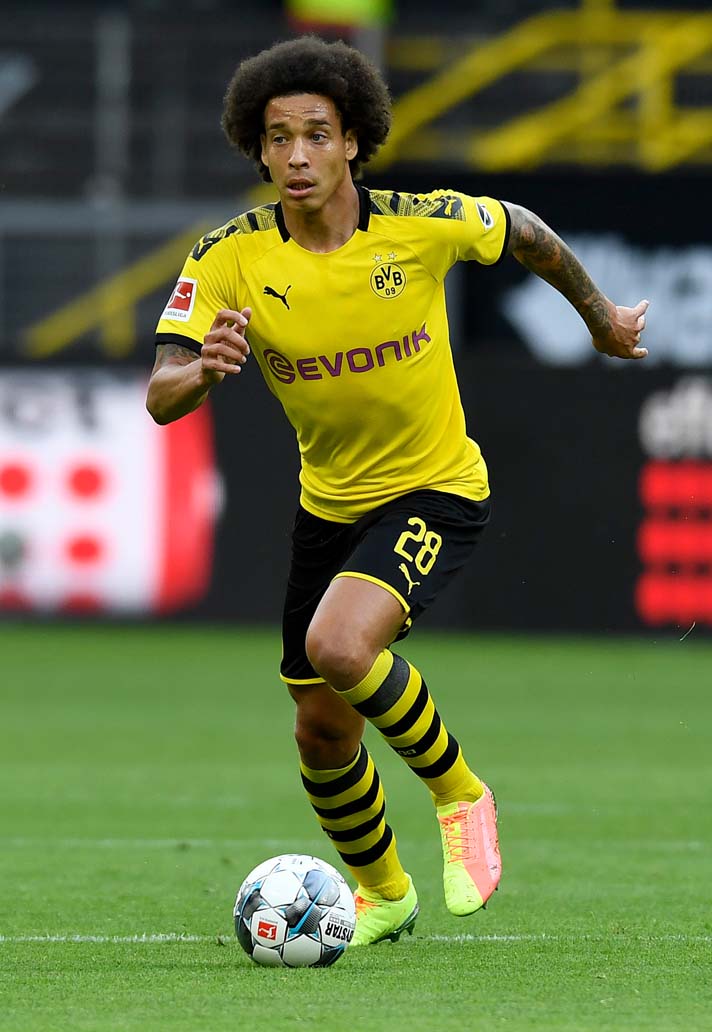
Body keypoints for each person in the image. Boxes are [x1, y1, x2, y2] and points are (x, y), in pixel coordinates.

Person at [146, 36, 649, 947]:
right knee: (321, 730)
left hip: (437, 489)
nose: (297, 155)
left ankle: (461, 795)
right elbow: (160, 392)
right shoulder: (228, 256)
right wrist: (204, 371)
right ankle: (384, 894)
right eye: (278, 138)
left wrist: (601, 318)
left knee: (339, 645)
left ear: (352, 142)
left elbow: (525, 230)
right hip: (328, 507)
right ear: (258, 149)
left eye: (317, 134)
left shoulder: (418, 224)